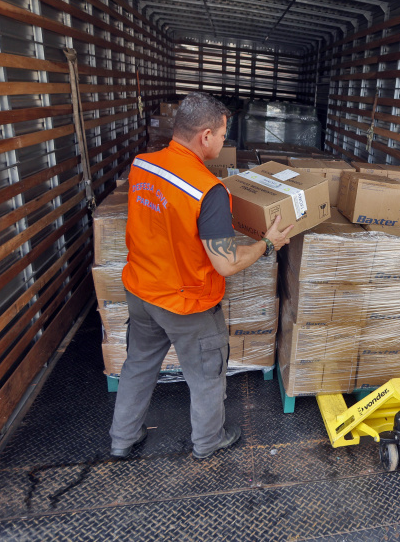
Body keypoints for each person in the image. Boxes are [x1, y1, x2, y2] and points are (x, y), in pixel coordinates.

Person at [109, 93, 293, 460]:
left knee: (138, 366)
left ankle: (122, 440)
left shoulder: (143, 166)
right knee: (207, 377)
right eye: (224, 135)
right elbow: (224, 264)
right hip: (187, 304)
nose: (225, 142)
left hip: (142, 293)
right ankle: (209, 442)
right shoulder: (208, 191)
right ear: (205, 135)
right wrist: (267, 244)